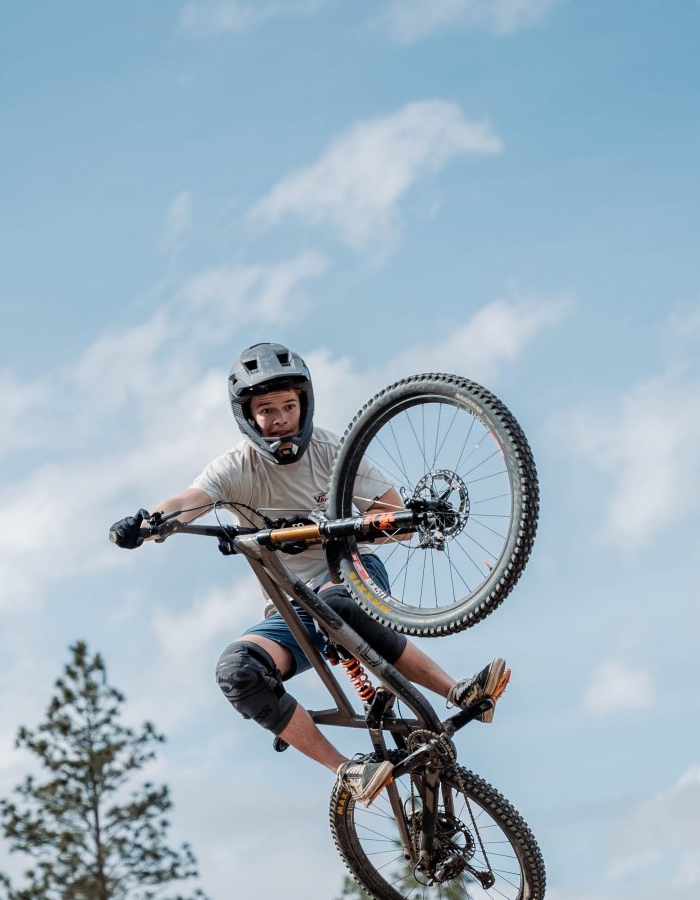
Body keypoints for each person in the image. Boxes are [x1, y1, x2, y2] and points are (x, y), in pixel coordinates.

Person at [110, 342, 509, 804]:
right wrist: (150, 523)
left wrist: (333, 532)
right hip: (292, 607)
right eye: (266, 410)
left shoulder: (332, 451)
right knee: (237, 671)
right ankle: (348, 772)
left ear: (304, 403)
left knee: (334, 602)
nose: (280, 419)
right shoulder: (237, 467)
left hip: (351, 574)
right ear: (248, 416)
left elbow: (393, 517)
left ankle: (458, 691)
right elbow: (187, 501)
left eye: (288, 406)